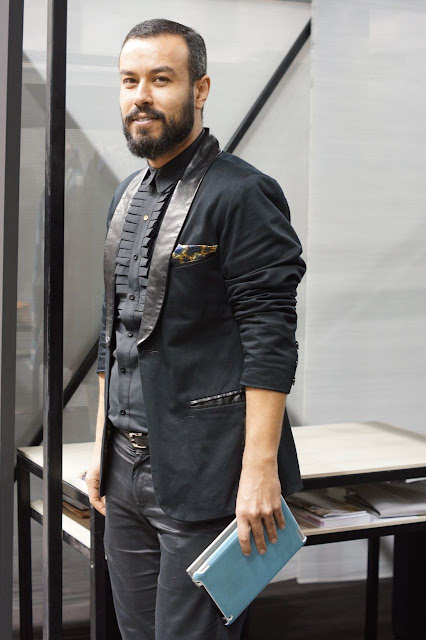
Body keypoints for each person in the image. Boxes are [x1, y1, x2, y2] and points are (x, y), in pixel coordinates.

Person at [85, 18, 306, 640]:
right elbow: (115, 328)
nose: (141, 96)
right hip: (124, 466)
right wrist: (101, 444)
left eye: (161, 79)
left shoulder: (244, 193)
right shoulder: (126, 195)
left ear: (200, 89)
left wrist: (259, 470)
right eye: (130, 81)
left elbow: (270, 335)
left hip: (210, 471)